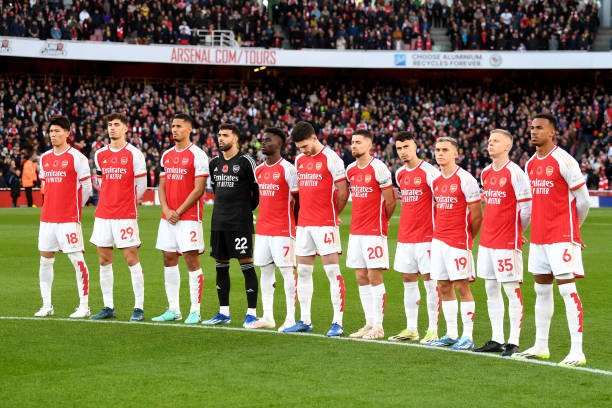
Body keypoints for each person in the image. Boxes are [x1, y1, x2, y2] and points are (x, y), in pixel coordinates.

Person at [513, 113, 590, 367]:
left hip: (561, 236)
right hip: (539, 237)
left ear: (552, 132)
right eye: (532, 127)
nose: (533, 132)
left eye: (539, 128)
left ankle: (577, 351)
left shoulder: (564, 160)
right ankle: (541, 345)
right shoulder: (530, 164)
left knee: (567, 289)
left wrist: (574, 229)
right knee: (541, 290)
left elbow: (584, 201)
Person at [282, 121, 349, 337]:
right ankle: (305, 320)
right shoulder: (299, 160)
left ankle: (337, 322)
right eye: (299, 147)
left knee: (332, 271)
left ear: (314, 138)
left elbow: (343, 191)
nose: (303, 150)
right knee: (303, 271)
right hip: (304, 224)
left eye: (305, 146)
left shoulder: (332, 159)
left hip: (325, 224)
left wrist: (334, 215)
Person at [474, 129, 532, 357]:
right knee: (491, 288)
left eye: (496, 141)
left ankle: (513, 341)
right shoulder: (486, 173)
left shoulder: (516, 173)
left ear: (507, 146)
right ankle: (497, 338)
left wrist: (517, 231)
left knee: (511, 289)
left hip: (506, 241)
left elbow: (527, 209)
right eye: (489, 141)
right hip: (487, 241)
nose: (490, 144)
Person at [89, 112, 147, 321]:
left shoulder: (134, 154)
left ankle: (138, 307)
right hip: (103, 214)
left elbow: (141, 186)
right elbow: (99, 181)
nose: (112, 128)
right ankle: (108, 306)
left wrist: (126, 202)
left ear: (125, 128)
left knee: (131, 258)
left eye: (116, 124)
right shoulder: (100, 154)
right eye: (109, 125)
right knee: (104, 259)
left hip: (125, 214)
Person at [152, 114, 209, 324]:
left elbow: (199, 189)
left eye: (179, 126)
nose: (174, 129)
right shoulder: (166, 155)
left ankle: (195, 310)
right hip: (168, 218)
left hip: (189, 217)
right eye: (172, 126)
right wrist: (167, 210)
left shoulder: (198, 155)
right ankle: (173, 309)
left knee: (191, 260)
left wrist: (179, 211)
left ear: (189, 129)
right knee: (168, 258)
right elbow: (162, 186)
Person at [202, 123, 260, 328]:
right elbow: (217, 189)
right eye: (219, 135)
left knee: (246, 265)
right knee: (221, 266)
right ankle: (223, 312)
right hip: (219, 222)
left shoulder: (246, 162)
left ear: (235, 138)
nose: (221, 138)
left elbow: (256, 191)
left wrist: (245, 210)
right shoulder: (214, 163)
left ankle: (251, 313)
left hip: (240, 223)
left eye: (225, 135)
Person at [34, 116, 92, 318]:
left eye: (57, 131)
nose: (53, 135)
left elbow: (87, 188)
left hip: (68, 219)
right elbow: (45, 187)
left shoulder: (77, 158)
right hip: (47, 218)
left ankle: (84, 306)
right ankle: (46, 305)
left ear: (67, 133)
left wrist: (74, 208)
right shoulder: (44, 158)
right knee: (45, 260)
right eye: (51, 131)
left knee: (77, 260)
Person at [428, 137, 482, 351]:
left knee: (462, 286)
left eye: (445, 150)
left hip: (458, 241)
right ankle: (451, 333)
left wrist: (467, 238)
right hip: (438, 241)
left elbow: (477, 216)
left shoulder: (466, 179)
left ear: (455, 154)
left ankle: (467, 336)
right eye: (437, 150)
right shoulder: (436, 180)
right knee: (443, 286)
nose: (440, 153)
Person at [387, 132, 441, 344]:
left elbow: (441, 201)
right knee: (408, 281)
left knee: (430, 283)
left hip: (427, 237)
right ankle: (411, 328)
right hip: (405, 238)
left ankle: (433, 329)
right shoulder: (400, 173)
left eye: (406, 147)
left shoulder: (430, 172)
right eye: (399, 148)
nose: (403, 152)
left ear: (415, 146)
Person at [346, 129, 395, 340]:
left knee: (375, 276)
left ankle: (379, 326)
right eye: (352, 142)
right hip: (356, 231)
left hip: (374, 230)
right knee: (360, 276)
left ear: (369, 145)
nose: (354, 145)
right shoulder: (350, 170)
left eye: (358, 142)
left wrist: (381, 222)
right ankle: (369, 323)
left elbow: (390, 201)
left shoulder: (379, 168)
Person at [251, 127, 299, 331]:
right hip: (263, 229)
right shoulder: (259, 170)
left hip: (283, 230)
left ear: (279, 144)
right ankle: (268, 316)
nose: (263, 143)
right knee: (265, 271)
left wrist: (296, 227)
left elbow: (298, 201)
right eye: (263, 140)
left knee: (287, 273)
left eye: (268, 140)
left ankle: (291, 318)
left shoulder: (288, 170)